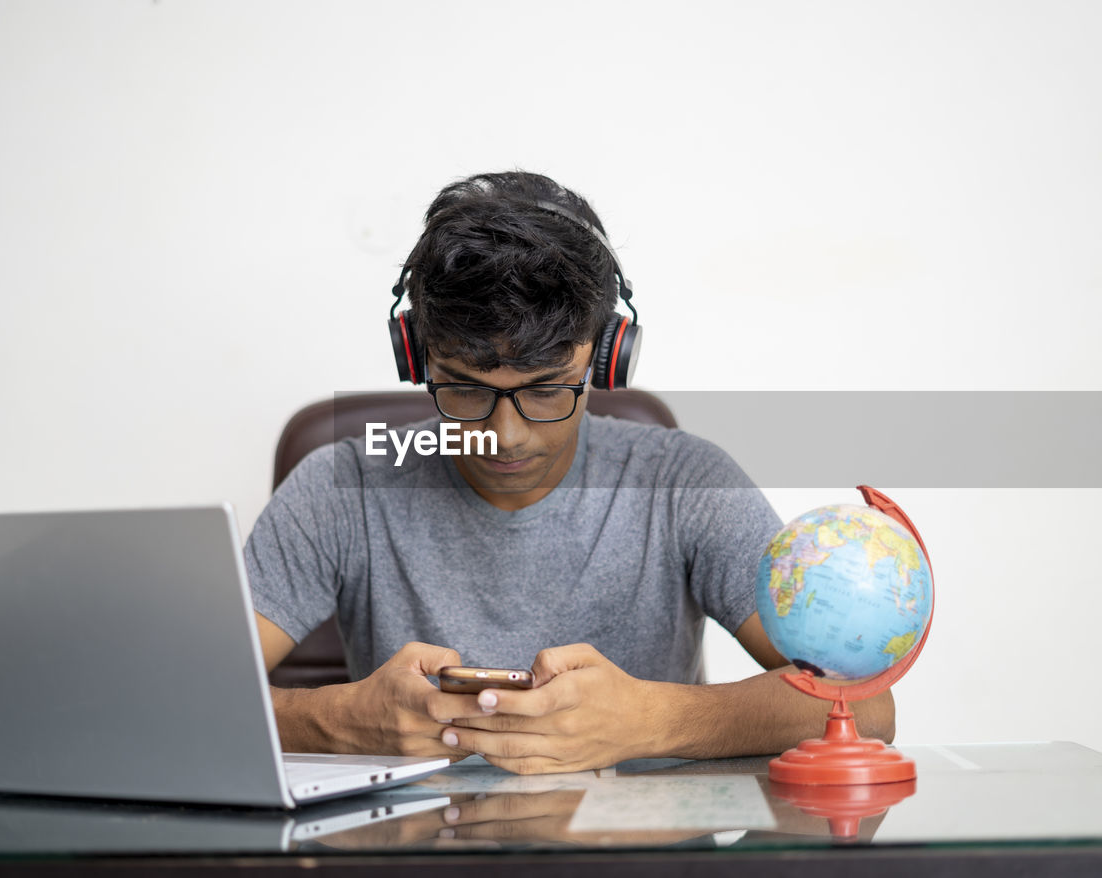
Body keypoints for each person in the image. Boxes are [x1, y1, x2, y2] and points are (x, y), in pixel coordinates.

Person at [246, 171, 894, 774]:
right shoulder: (343, 488)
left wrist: (653, 720)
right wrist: (332, 721)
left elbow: (867, 707)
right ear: (415, 356)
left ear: (605, 361)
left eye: (549, 389)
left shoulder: (684, 485)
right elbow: (176, 702)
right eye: (466, 390)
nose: (507, 434)